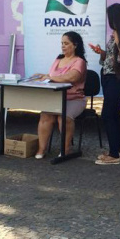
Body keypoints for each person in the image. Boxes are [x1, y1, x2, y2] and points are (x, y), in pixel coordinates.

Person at [89, 3, 120, 165]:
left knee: (107, 114)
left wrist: (118, 42)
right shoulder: (115, 33)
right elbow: (110, 57)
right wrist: (101, 52)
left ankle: (114, 155)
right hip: (109, 76)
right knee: (114, 112)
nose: (109, 21)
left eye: (110, 17)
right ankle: (116, 148)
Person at [31, 31, 86, 159]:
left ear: (75, 45)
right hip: (56, 98)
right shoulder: (58, 59)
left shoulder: (79, 61)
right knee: (45, 115)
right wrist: (42, 76)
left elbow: (72, 77)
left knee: (63, 117)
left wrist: (50, 77)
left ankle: (66, 149)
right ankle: (42, 149)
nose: (63, 46)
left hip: (74, 99)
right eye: (62, 43)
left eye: (66, 43)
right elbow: (53, 76)